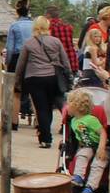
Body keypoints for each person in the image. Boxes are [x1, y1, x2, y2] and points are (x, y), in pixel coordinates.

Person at [14, 16, 71, 148]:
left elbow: (20, 65)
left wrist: (17, 81)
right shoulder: (56, 42)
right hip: (52, 77)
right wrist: (68, 75)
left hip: (34, 79)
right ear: (47, 26)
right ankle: (46, 135)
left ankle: (45, 138)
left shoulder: (29, 43)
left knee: (41, 108)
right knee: (49, 107)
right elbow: (65, 61)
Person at [64, 89, 107, 193]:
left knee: (98, 164)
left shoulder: (91, 120)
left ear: (76, 106)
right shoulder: (73, 121)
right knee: (82, 154)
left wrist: (101, 148)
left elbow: (103, 133)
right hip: (87, 146)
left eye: (68, 104)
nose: (66, 106)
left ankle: (90, 187)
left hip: (101, 146)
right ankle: (79, 177)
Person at [5, 0, 35, 122]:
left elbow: (10, 48)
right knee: (34, 92)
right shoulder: (34, 25)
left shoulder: (15, 26)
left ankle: (14, 122)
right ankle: (38, 124)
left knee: (16, 91)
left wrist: (8, 63)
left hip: (17, 58)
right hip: (33, 58)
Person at [43, 6, 77, 72]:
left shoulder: (49, 27)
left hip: (57, 62)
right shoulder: (68, 26)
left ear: (48, 15)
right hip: (71, 59)